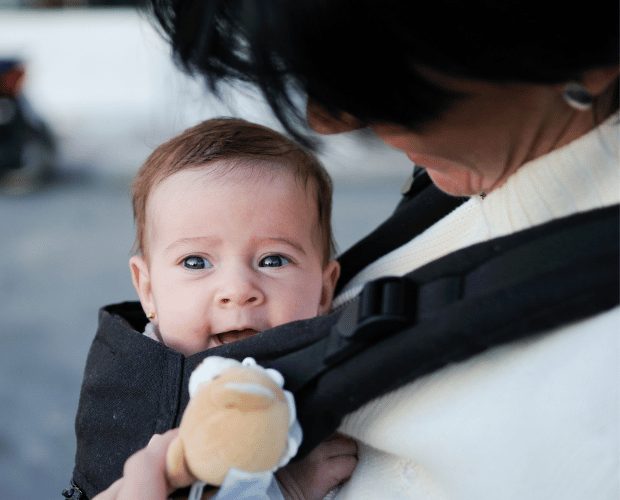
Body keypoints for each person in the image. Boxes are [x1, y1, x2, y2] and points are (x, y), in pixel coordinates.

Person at [83, 0, 619, 498]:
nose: (328, 120)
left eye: (374, 67)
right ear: (145, 285)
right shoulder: (459, 184)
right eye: (196, 262)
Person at [128, 117, 357, 499]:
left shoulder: (339, 366)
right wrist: (288, 490)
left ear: (323, 289)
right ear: (148, 290)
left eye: (273, 260)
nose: (237, 291)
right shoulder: (136, 394)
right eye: (196, 262)